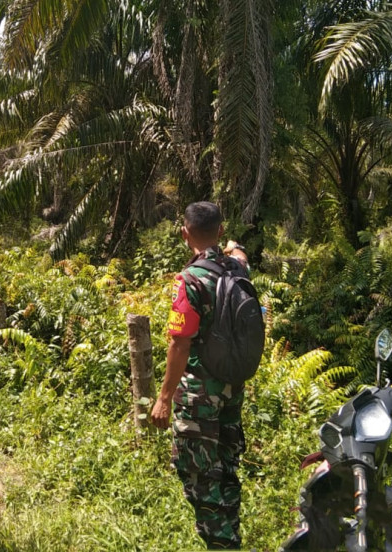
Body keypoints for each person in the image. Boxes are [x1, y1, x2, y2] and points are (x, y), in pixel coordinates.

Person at [151, 201, 249, 550]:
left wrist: (164, 398)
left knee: (200, 475)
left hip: (198, 398)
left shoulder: (190, 280)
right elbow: (240, 253)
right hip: (232, 390)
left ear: (184, 233)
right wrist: (231, 245)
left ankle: (223, 544)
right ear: (220, 231)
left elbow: (179, 344)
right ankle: (231, 535)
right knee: (226, 468)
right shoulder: (237, 269)